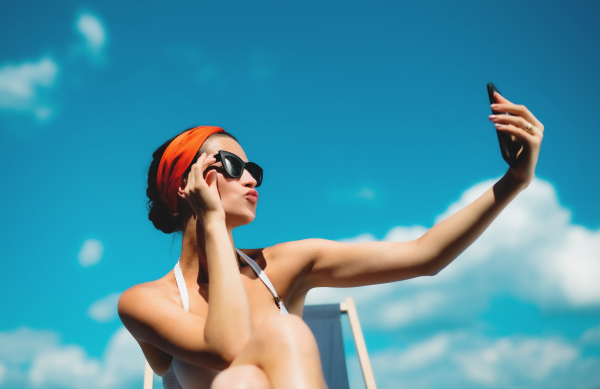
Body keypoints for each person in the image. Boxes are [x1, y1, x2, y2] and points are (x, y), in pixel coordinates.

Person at [118, 92, 544, 389]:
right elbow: (228, 347)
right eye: (232, 164)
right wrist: (211, 224)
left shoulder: (284, 265)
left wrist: (514, 182)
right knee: (251, 366)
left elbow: (424, 254)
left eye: (255, 170)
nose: (251, 178)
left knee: (255, 369)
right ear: (184, 183)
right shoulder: (147, 303)